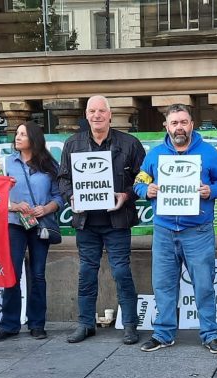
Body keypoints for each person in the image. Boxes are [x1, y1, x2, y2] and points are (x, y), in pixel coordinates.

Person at [132, 104, 217, 354]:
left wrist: (211, 191)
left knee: (204, 284)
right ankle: (163, 333)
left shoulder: (208, 153)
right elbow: (138, 182)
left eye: (184, 122)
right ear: (166, 126)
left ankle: (210, 334)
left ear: (191, 124)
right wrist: (147, 190)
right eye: (174, 122)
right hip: (164, 231)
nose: (179, 127)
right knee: (163, 284)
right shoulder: (154, 155)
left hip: (197, 231)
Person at [58, 96, 144, 345]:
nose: (97, 115)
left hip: (117, 220)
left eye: (101, 111)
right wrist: (70, 195)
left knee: (121, 271)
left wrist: (126, 194)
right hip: (86, 222)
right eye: (92, 111)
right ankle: (85, 323)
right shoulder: (72, 144)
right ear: (86, 115)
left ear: (110, 114)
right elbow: (63, 178)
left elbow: (143, 178)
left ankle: (130, 324)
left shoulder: (129, 143)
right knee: (86, 272)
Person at [0, 121, 64, 342]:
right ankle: (9, 324)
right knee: (12, 273)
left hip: (40, 225)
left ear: (34, 138)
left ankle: (37, 324)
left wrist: (46, 208)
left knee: (38, 274)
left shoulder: (50, 165)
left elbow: (59, 197)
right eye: (17, 134)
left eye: (23, 134)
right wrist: (13, 205)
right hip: (13, 223)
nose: (18, 137)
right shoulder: (5, 163)